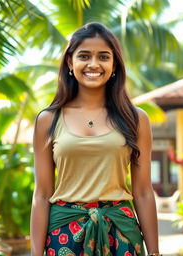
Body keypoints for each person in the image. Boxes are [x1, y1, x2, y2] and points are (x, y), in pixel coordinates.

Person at [30, 22, 161, 256]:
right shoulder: (48, 119)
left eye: (103, 56)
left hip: (121, 235)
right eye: (84, 56)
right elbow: (41, 194)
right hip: (64, 237)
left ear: (114, 65)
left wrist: (155, 252)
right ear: (70, 62)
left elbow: (142, 192)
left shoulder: (136, 119)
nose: (93, 64)